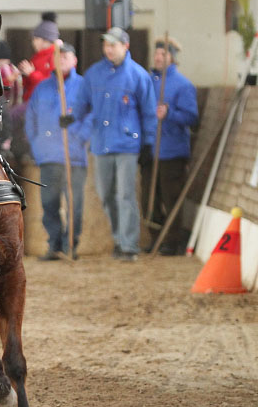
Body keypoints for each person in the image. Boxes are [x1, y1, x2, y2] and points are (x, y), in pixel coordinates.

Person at [81, 26, 157, 262]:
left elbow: (149, 112)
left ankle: (129, 245)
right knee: (105, 195)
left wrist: (148, 143)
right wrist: (71, 117)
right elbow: (81, 104)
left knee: (125, 195)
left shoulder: (138, 75)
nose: (109, 49)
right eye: (106, 45)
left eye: (113, 45)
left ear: (126, 46)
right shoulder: (93, 74)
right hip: (101, 144)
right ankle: (118, 237)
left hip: (127, 144)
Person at [24, 44, 89, 260]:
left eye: (66, 57)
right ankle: (54, 245)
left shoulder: (83, 87)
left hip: (74, 157)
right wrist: (37, 144)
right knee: (49, 202)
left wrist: (78, 136)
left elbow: (93, 115)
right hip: (49, 156)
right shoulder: (42, 88)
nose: (61, 61)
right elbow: (31, 118)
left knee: (74, 204)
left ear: (74, 60)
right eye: (58, 57)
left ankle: (71, 244)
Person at [140, 37, 198, 255]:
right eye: (156, 54)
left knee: (171, 197)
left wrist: (170, 113)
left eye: (163, 55)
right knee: (149, 199)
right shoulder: (147, 82)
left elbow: (192, 117)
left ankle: (172, 241)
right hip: (149, 148)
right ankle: (157, 238)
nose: (158, 58)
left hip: (172, 150)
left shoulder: (183, 85)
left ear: (172, 58)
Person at [17, 11, 59, 103]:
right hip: (32, 100)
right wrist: (22, 74)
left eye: (36, 39)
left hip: (44, 103)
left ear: (46, 40)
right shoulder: (37, 56)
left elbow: (52, 84)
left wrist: (31, 73)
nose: (33, 42)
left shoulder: (55, 56)